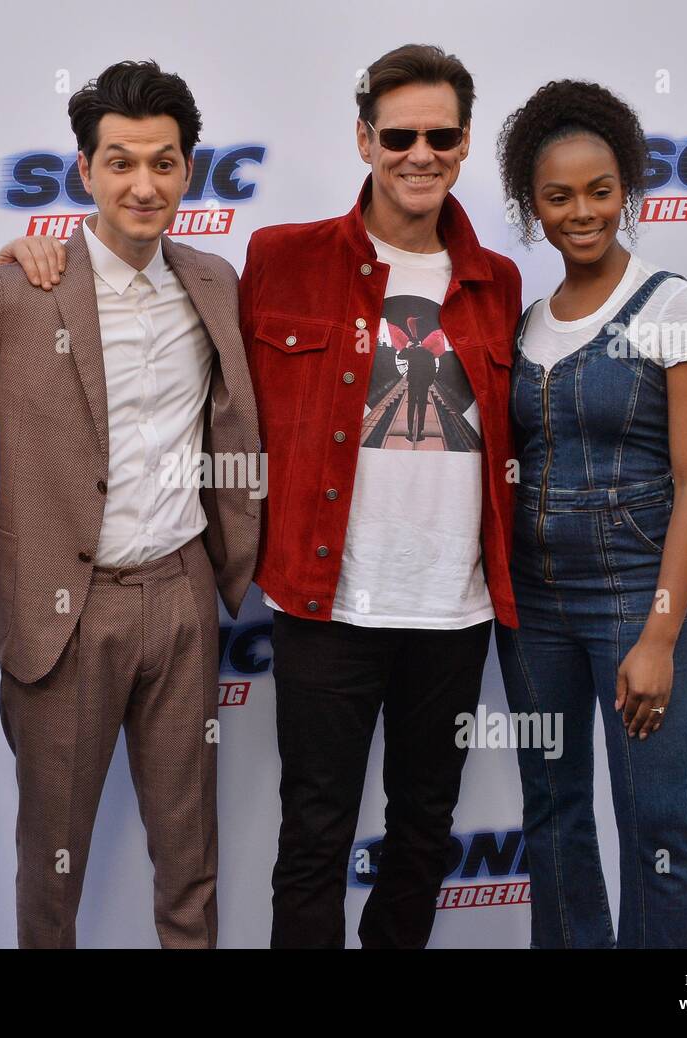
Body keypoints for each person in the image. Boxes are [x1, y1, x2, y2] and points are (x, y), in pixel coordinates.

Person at [0, 60, 261, 949]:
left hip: (183, 597)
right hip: (62, 613)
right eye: (119, 162)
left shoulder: (214, 284)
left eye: (163, 163)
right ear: (84, 171)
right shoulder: (19, 292)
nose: (143, 184)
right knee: (52, 861)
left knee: (189, 852)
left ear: (188, 171)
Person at [239, 43, 522, 948]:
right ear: (364, 140)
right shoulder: (281, 260)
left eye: (441, 135)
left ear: (466, 143)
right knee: (313, 834)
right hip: (326, 602)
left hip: (453, 607)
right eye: (399, 134)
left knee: (423, 832)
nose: (420, 153)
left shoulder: (498, 281)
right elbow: (168, 303)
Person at [493, 79, 687, 948]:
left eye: (600, 191)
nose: (582, 212)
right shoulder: (525, 322)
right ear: (532, 205)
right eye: (558, 196)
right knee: (553, 814)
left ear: (626, 188)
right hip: (534, 609)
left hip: (637, 598)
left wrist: (660, 635)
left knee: (656, 823)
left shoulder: (677, 307)